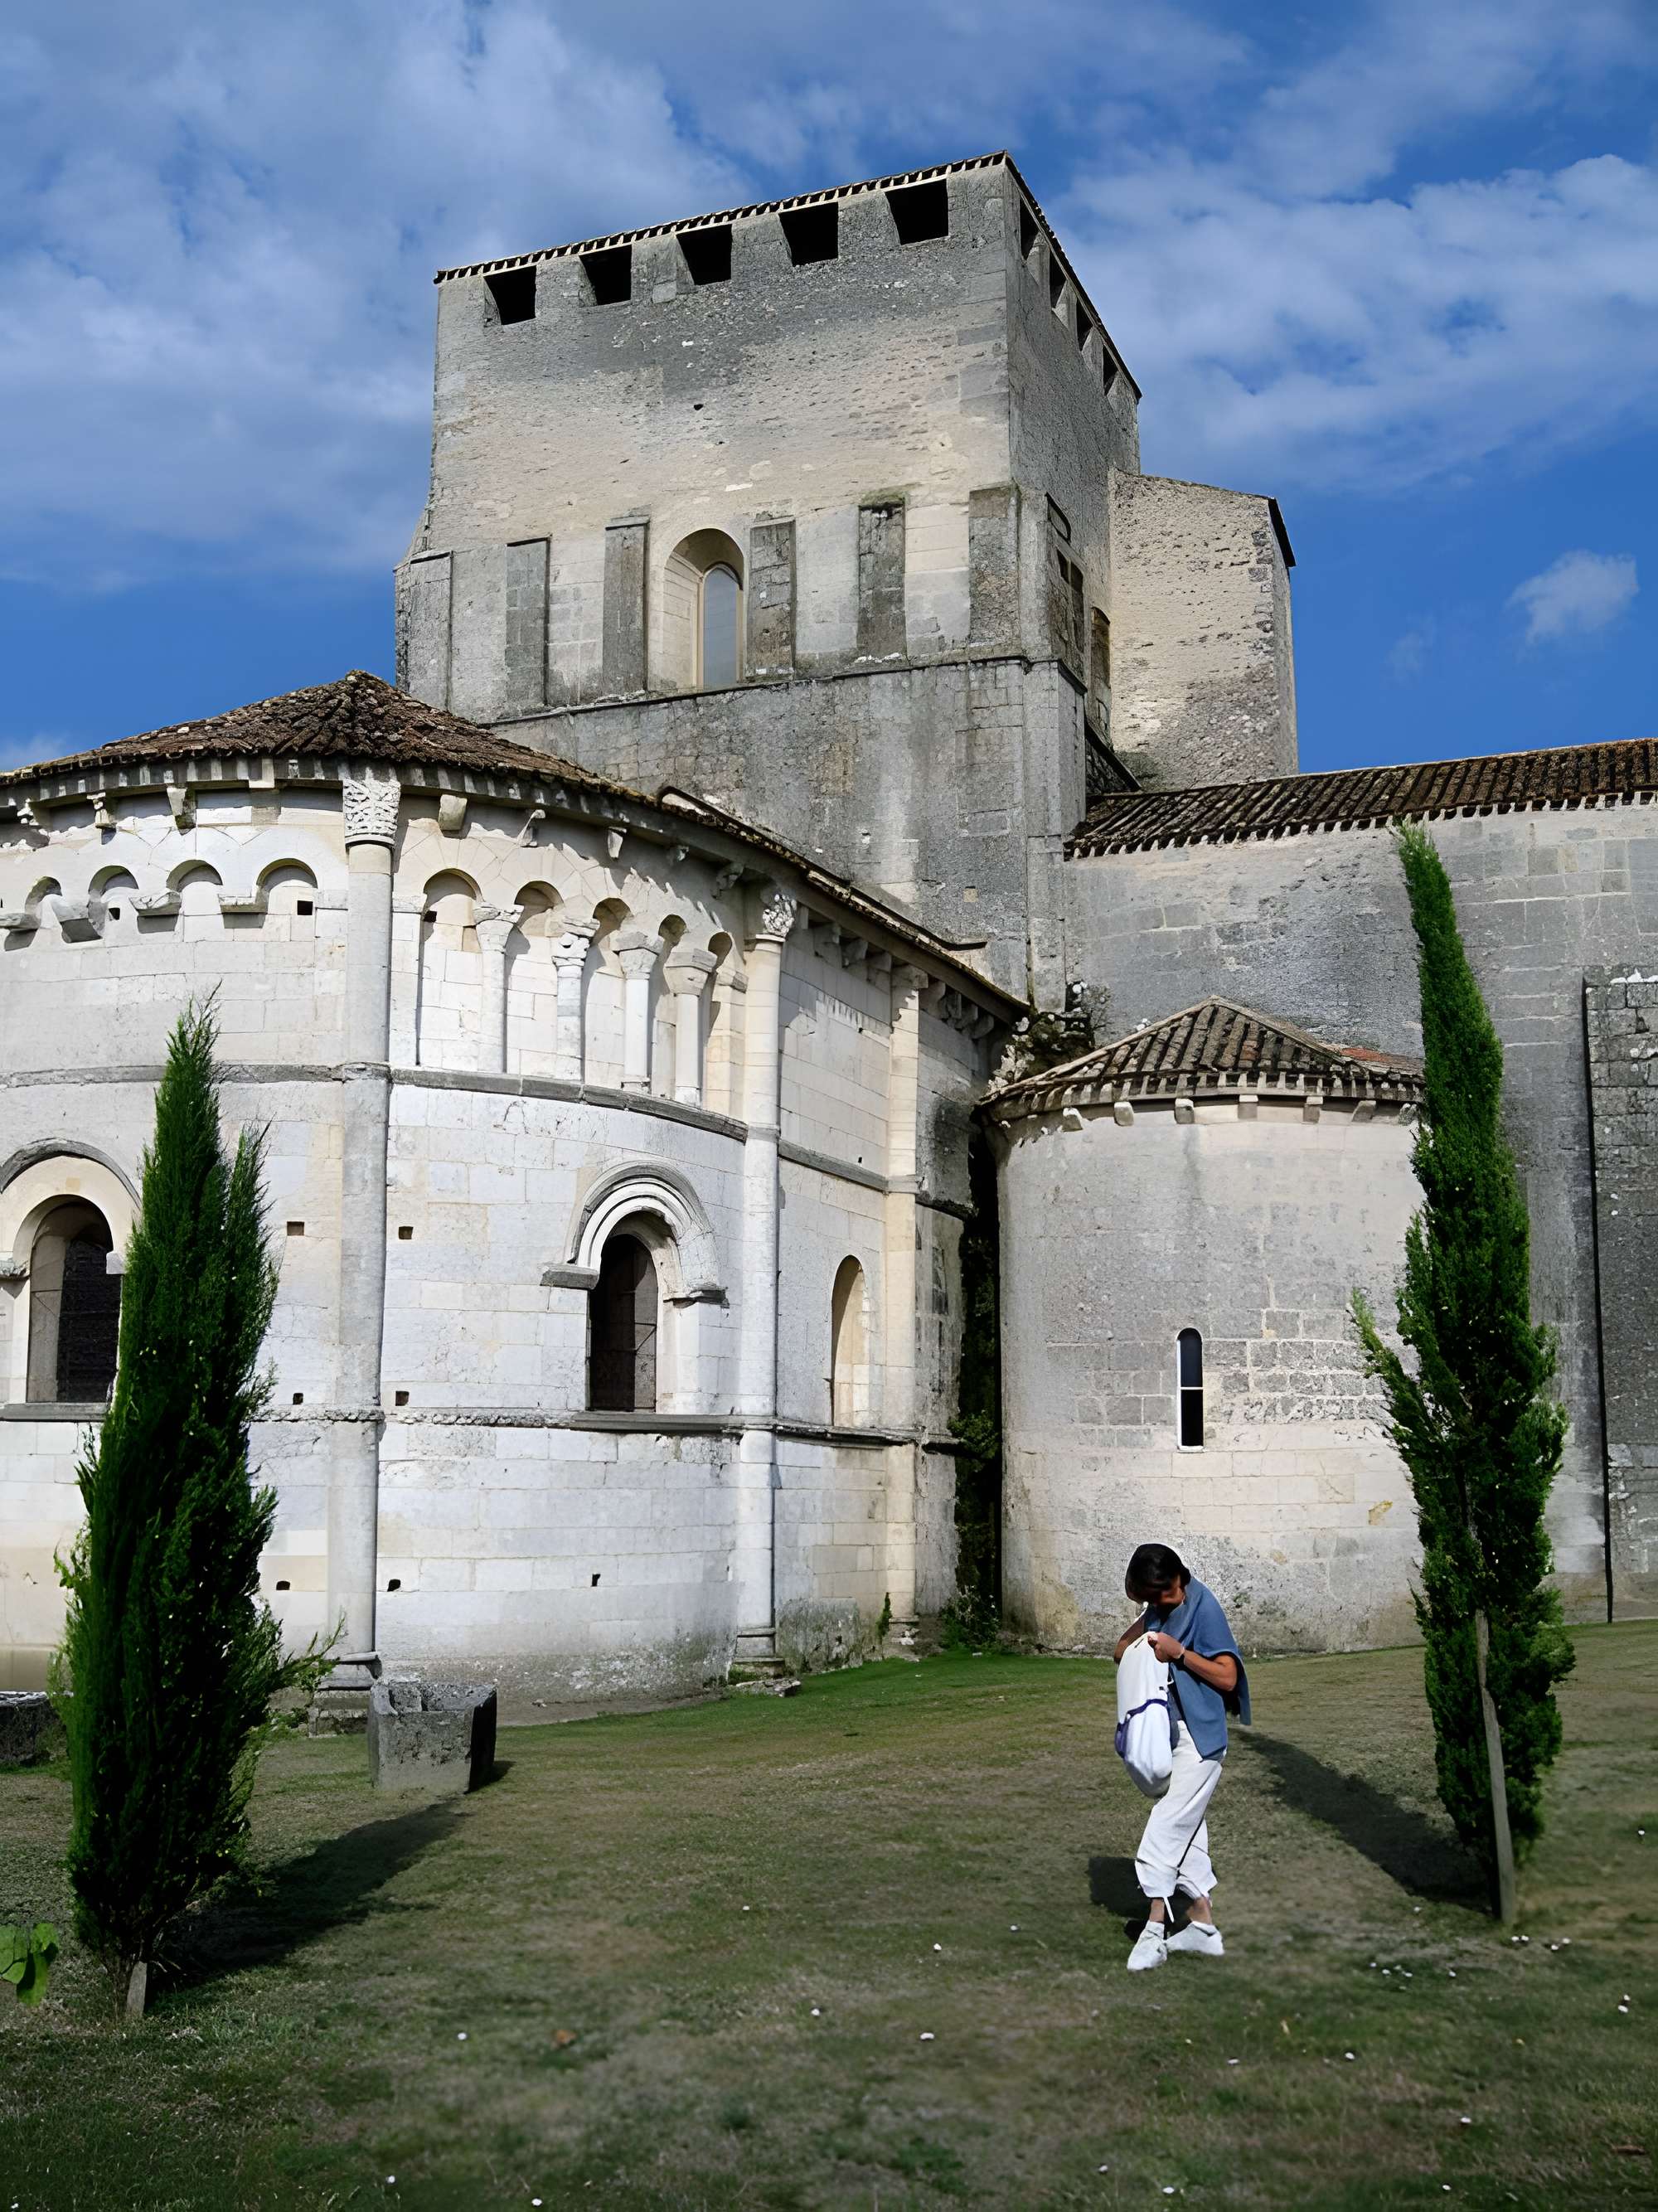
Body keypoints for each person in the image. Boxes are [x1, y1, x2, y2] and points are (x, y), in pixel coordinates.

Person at [1112, 1542, 1250, 1973]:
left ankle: (1154, 1929)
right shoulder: (1158, 1608)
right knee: (1185, 1829)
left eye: (1170, 1591)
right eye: (1157, 1596)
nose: (1169, 1599)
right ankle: (1202, 1927)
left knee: (1167, 1824)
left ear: (1179, 1576)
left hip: (1202, 1740)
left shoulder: (1204, 1608)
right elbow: (1121, 1650)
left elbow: (1228, 1677)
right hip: (1170, 1734)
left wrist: (1180, 1654)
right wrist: (1145, 1645)